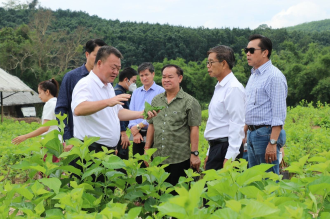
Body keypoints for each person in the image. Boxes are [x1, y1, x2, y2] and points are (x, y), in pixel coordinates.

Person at [71, 46, 157, 181]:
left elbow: (118, 112)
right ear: (99, 63)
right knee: (91, 193)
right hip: (91, 151)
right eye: (113, 67)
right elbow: (79, 109)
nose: (116, 72)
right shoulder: (86, 84)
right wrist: (108, 102)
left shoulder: (108, 87)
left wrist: (141, 114)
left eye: (118, 68)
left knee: (106, 192)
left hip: (108, 150)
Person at [144, 64, 202, 186]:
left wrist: (194, 154)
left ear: (180, 78)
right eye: (164, 77)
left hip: (179, 158)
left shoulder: (190, 101)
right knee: (158, 193)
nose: (166, 80)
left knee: (178, 195)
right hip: (158, 157)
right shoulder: (156, 100)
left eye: (170, 77)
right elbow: (152, 125)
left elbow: (194, 128)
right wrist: (147, 149)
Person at [244, 34, 287, 174]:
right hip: (252, 134)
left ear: (265, 52)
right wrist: (245, 132)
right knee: (255, 180)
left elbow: (278, 114)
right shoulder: (254, 76)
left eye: (251, 50)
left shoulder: (274, 76)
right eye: (246, 50)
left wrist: (273, 142)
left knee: (269, 181)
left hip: (265, 135)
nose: (247, 54)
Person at [55, 39, 107, 145]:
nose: (99, 60)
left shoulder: (105, 80)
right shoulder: (72, 77)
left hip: (100, 140)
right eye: (96, 55)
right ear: (87, 54)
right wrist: (67, 138)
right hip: (77, 140)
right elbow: (61, 109)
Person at [203, 45, 245, 171]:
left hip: (227, 148)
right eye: (207, 62)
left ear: (224, 63)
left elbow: (237, 124)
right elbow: (217, 123)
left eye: (211, 62)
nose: (208, 66)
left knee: (221, 189)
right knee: (211, 188)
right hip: (216, 147)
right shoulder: (220, 87)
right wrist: (209, 153)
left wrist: (230, 157)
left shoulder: (233, 88)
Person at [12, 78, 61, 162]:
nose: (39, 96)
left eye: (40, 93)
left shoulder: (49, 104)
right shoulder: (57, 102)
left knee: (47, 172)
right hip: (59, 143)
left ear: (47, 92)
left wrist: (25, 136)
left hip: (50, 145)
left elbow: (45, 128)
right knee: (56, 172)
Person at [128, 63, 165, 165]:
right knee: (138, 164)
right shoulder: (136, 92)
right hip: (137, 134)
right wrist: (134, 130)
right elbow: (131, 113)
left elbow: (158, 113)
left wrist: (139, 126)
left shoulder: (161, 91)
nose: (144, 78)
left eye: (146, 74)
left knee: (153, 163)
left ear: (153, 74)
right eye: (141, 75)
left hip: (154, 132)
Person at [114, 67, 138, 160]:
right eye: (133, 81)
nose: (134, 84)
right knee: (121, 163)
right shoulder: (119, 94)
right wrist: (123, 133)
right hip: (120, 135)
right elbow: (118, 115)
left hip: (119, 133)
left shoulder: (118, 91)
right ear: (126, 80)